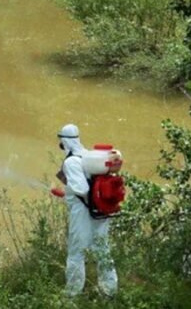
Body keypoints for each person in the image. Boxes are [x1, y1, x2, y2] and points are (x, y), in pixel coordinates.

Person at [55, 123, 118, 297]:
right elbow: (91, 185)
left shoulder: (71, 161)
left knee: (76, 252)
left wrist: (71, 192)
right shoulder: (90, 157)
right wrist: (65, 193)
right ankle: (109, 291)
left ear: (64, 141)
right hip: (101, 210)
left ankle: (72, 294)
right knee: (102, 250)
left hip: (82, 211)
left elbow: (82, 189)